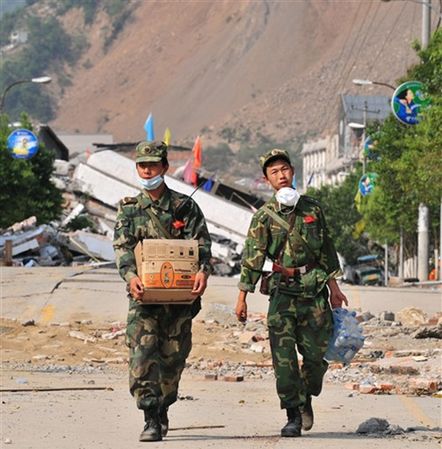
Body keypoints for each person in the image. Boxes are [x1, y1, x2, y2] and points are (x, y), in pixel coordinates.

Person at [235, 148, 348, 438]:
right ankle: (292, 415)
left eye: (284, 169)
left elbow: (326, 248)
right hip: (282, 294)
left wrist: (335, 288)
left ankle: (307, 395)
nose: (281, 175)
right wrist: (242, 297)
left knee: (316, 356)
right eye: (274, 172)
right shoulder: (263, 216)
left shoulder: (313, 209)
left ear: (293, 172)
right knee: (283, 358)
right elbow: (253, 257)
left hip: (314, 291)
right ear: (267, 180)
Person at [113, 141, 212, 442]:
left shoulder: (185, 206)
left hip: (179, 303)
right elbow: (122, 248)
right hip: (144, 301)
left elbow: (203, 246)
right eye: (142, 165)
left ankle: (164, 405)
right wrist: (130, 277)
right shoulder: (129, 209)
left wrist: (203, 273)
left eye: (153, 165)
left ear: (165, 168)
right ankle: (150, 417)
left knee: (172, 361)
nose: (147, 170)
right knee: (142, 358)